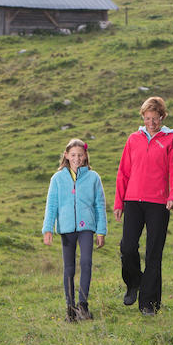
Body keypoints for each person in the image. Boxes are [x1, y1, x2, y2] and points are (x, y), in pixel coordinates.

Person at [114, 96, 173, 316]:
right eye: (147, 118)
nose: (151, 123)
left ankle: (149, 304)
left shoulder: (171, 140)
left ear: (162, 117)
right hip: (133, 201)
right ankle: (134, 282)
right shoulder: (133, 139)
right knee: (127, 247)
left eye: (155, 118)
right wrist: (119, 202)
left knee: (154, 253)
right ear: (143, 118)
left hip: (158, 203)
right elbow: (123, 172)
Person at [42, 138, 107, 322]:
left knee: (86, 262)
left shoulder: (94, 178)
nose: (77, 158)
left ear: (85, 156)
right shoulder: (57, 178)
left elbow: (100, 205)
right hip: (66, 228)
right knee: (69, 268)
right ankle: (70, 309)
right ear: (66, 156)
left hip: (87, 228)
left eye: (80, 155)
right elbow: (51, 205)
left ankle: (83, 306)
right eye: (73, 155)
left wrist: (101, 230)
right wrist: (48, 229)